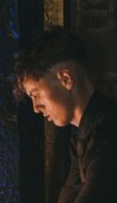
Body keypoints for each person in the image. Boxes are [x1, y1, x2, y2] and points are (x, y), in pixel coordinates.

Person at [14, 26, 117, 203]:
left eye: (35, 94)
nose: (36, 108)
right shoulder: (80, 136)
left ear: (65, 79)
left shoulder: (108, 134)